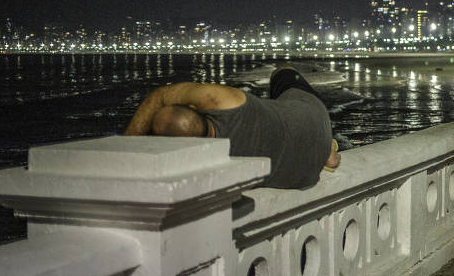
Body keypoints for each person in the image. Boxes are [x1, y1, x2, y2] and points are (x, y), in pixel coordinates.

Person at [124, 66, 340, 189]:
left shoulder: (214, 170)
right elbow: (160, 96)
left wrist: (125, 159)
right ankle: (329, 147)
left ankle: (326, 149)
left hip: (305, 172)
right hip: (313, 114)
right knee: (283, 72)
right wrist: (127, 147)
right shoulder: (226, 101)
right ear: (193, 108)